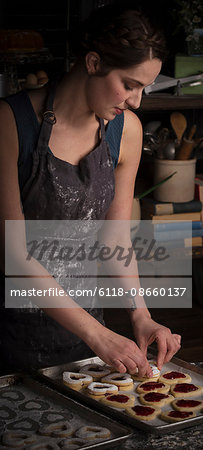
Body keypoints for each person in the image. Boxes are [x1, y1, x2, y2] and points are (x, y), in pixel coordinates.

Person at [0, 3, 181, 376]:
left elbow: (115, 236)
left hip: (84, 343)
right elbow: (14, 256)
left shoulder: (125, 131)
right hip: (10, 339)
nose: (135, 101)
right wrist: (100, 336)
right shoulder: (10, 123)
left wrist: (141, 315)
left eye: (144, 88)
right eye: (129, 85)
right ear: (94, 63)